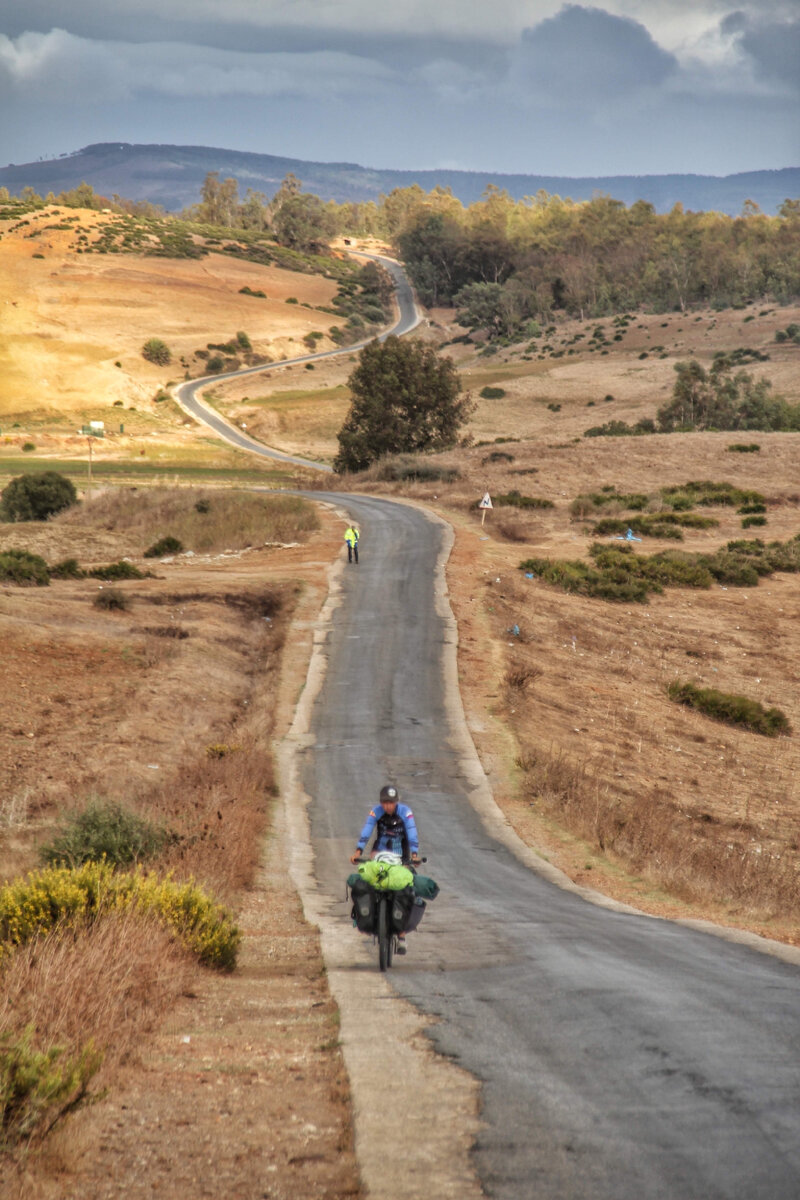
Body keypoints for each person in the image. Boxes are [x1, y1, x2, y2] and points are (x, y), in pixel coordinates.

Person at [351, 785, 420, 865]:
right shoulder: (376, 811)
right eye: (385, 803)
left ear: (396, 802)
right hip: (379, 852)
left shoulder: (405, 812)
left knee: (404, 876)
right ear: (381, 803)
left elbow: (412, 832)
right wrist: (358, 852)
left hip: (401, 854)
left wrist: (414, 855)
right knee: (370, 872)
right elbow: (367, 831)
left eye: (391, 802)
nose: (388, 806)